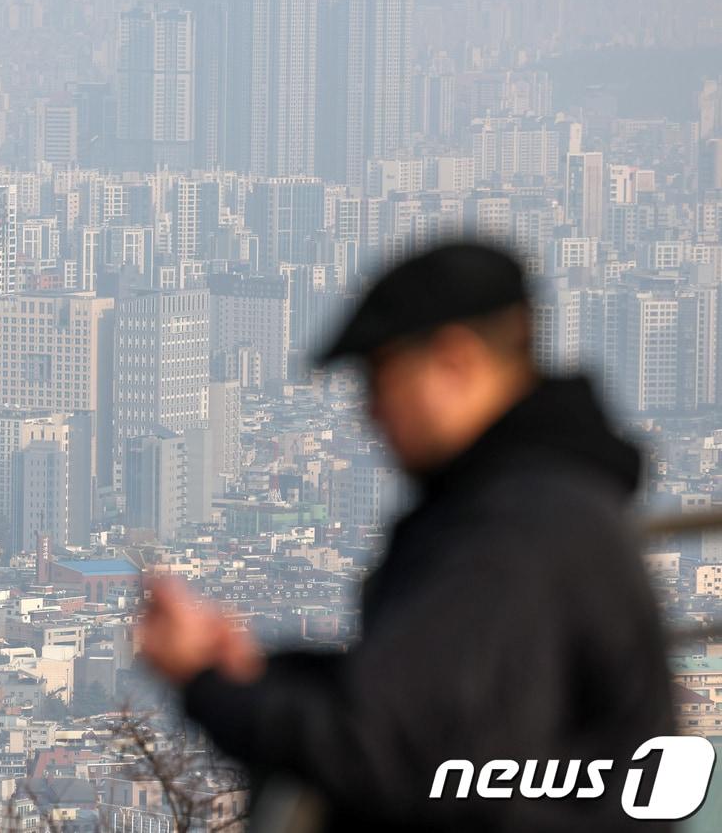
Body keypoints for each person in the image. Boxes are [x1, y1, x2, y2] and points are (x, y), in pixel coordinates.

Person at [138, 244, 674, 832]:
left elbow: (378, 747)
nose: (370, 411)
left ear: (455, 361)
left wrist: (207, 683)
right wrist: (255, 674)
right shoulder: (543, 504)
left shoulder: (510, 534)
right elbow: (428, 698)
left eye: (382, 374)